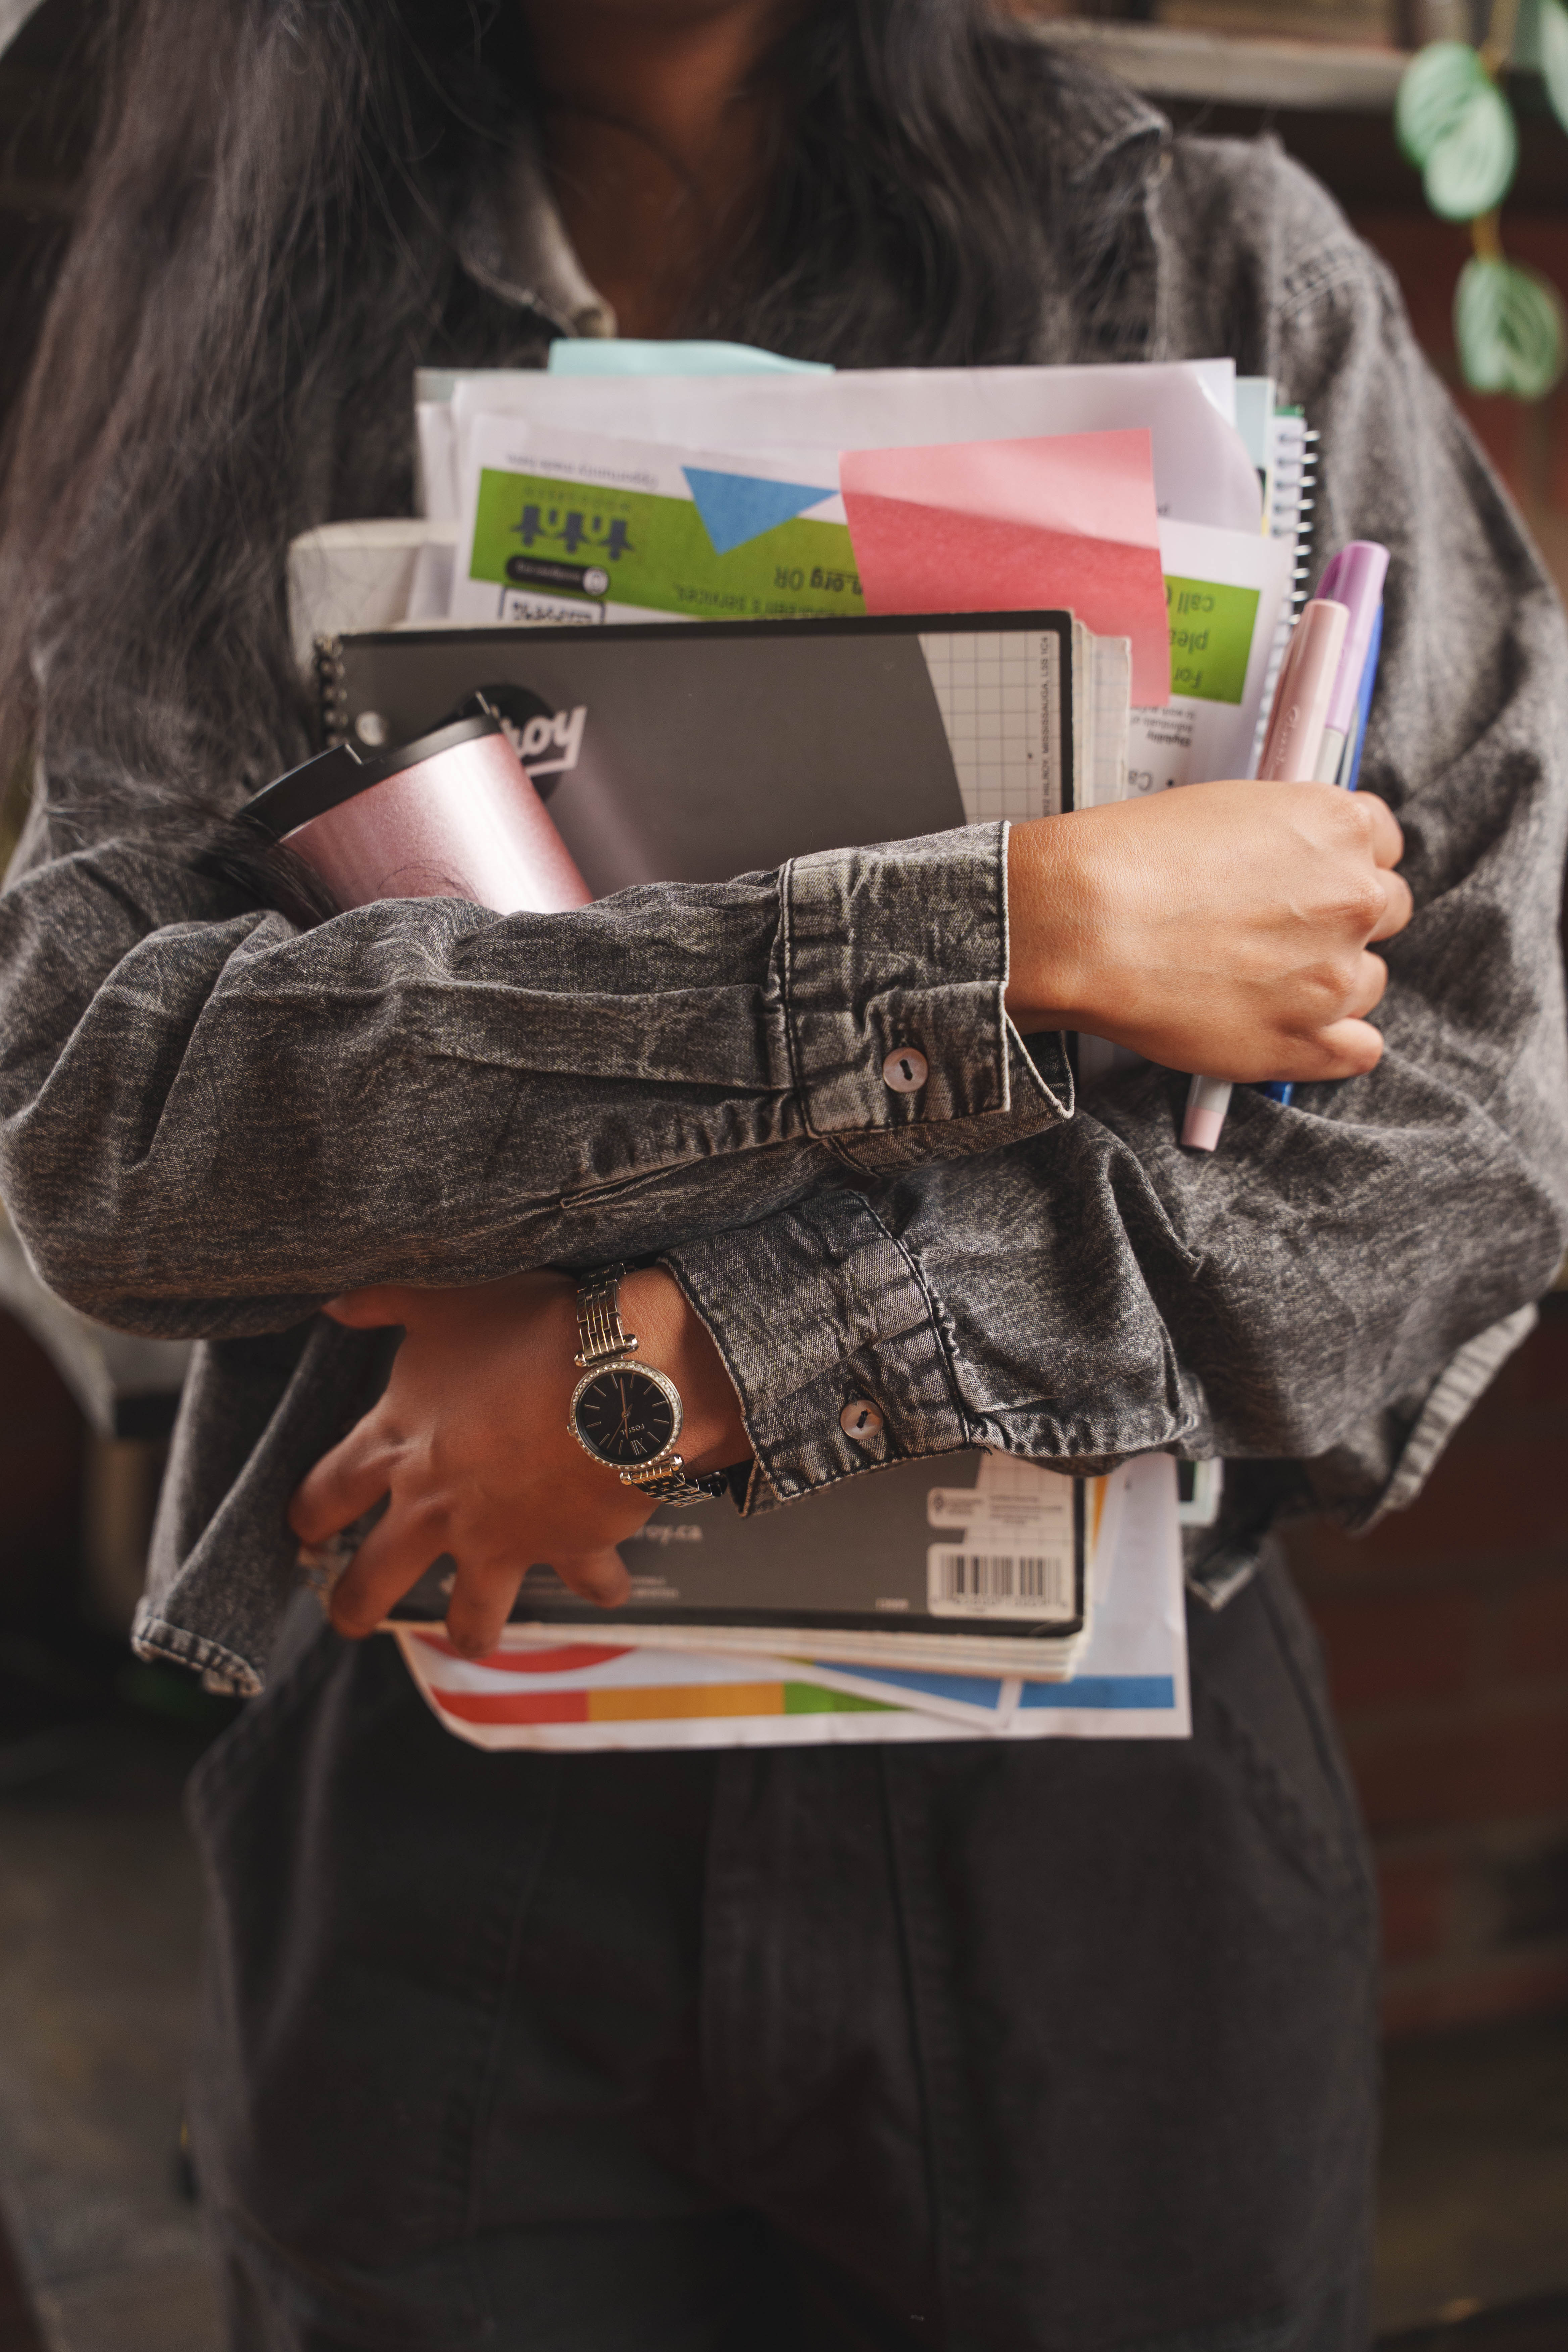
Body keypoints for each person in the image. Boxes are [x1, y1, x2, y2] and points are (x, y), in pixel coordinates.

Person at [0, 1, 1563, 2345]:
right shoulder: (243, 314)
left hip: (1091, 1821)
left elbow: (1459, 1137)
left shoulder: (1213, 265)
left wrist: (702, 1359)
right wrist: (1008, 932)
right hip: (452, 1755)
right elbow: (109, 1133)